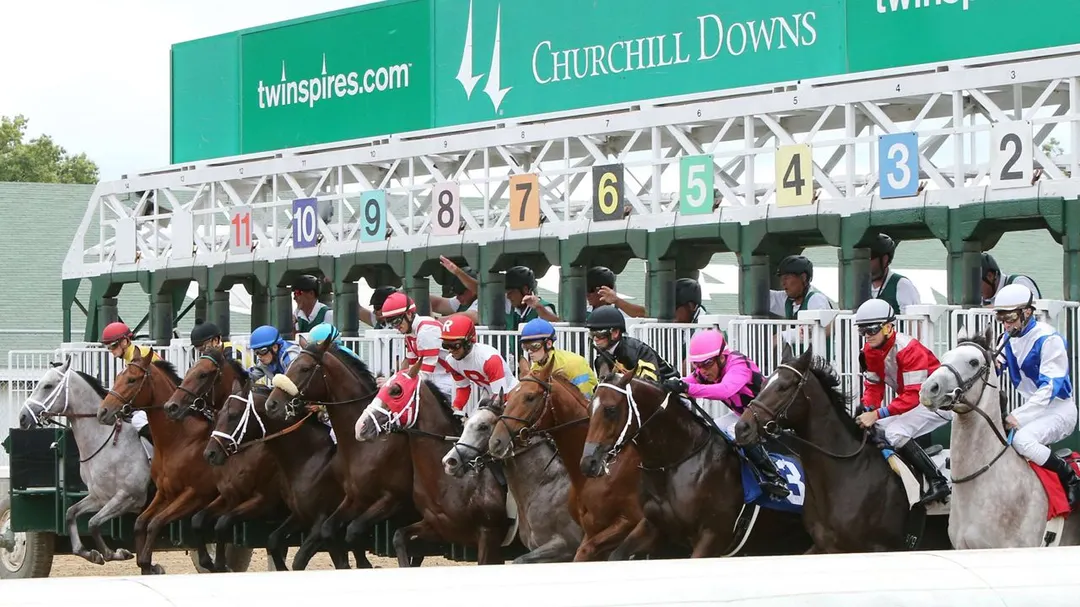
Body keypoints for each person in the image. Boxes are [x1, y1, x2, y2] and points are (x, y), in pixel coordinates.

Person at [663, 329, 789, 499]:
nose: (702, 370)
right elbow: (688, 381)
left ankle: (775, 478)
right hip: (743, 415)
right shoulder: (708, 369)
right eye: (697, 365)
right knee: (712, 430)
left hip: (768, 417)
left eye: (706, 364)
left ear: (721, 357)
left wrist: (687, 388)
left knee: (735, 430)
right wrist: (667, 385)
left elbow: (725, 390)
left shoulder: (739, 364)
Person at [853, 299, 951, 506]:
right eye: (863, 330)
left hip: (937, 402)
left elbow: (914, 395)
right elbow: (874, 386)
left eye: (872, 329)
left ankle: (938, 481)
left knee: (895, 432)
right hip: (916, 401)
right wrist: (868, 408)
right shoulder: (869, 350)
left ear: (888, 327)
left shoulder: (909, 349)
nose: (867, 335)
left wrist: (876, 414)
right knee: (876, 428)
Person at [993, 283, 1080, 509]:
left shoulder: (1049, 338)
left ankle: (1071, 478)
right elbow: (996, 366)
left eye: (1010, 317)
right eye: (1001, 318)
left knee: (1022, 440)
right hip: (1033, 410)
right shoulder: (1007, 337)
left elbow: (1049, 389)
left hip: (1059, 410)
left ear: (1027, 312)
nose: (1006, 324)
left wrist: (1019, 416)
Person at [380, 291, 456, 400]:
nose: (396, 327)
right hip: (436, 379)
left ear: (409, 314)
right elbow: (412, 368)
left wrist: (395, 383)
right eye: (391, 324)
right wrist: (394, 381)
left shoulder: (427, 330)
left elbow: (426, 372)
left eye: (396, 321)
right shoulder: (410, 332)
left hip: (449, 380)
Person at [440, 314, 518, 418]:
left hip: (510, 394)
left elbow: (501, 396)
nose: (450, 350)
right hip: (490, 396)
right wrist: (456, 408)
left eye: (455, 345)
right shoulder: (451, 361)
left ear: (469, 341)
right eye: (445, 345)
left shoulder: (489, 359)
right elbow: (463, 388)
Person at [585, 305, 678, 384]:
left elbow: (650, 384)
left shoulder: (638, 351)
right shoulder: (601, 359)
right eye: (592, 334)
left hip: (668, 387)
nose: (595, 339)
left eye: (599, 334)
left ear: (615, 333)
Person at [100, 321, 154, 443]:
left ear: (124, 342)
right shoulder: (130, 358)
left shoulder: (140, 354)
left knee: (138, 420)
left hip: (161, 400)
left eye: (113, 346)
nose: (111, 350)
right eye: (108, 347)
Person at [518, 318, 598, 399]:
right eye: (525, 347)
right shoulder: (536, 367)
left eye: (534, 346)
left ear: (548, 344)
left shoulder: (573, 363)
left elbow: (585, 399)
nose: (529, 351)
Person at [868, 233, 921, 314]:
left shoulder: (901, 284)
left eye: (870, 258)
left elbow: (913, 319)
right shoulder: (861, 286)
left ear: (884, 259)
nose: (865, 262)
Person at [769, 255, 834, 320]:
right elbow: (765, 296)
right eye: (781, 279)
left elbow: (824, 326)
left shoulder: (816, 300)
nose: (782, 283)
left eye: (787, 278)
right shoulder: (787, 300)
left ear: (803, 278)